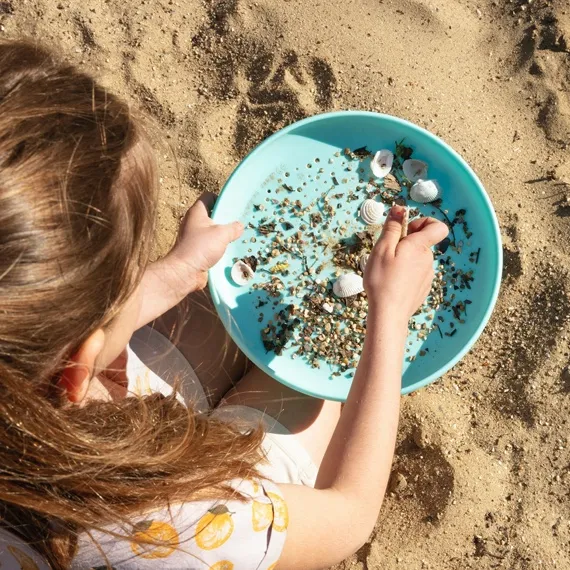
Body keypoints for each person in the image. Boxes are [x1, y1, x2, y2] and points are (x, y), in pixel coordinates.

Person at [0, 40, 448, 570]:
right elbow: (347, 517)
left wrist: (167, 277)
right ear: (76, 366)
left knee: (219, 308)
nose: (139, 280)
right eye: (126, 284)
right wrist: (389, 319)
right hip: (181, 509)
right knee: (303, 372)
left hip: (63, 423)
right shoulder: (169, 526)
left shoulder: (27, 365)